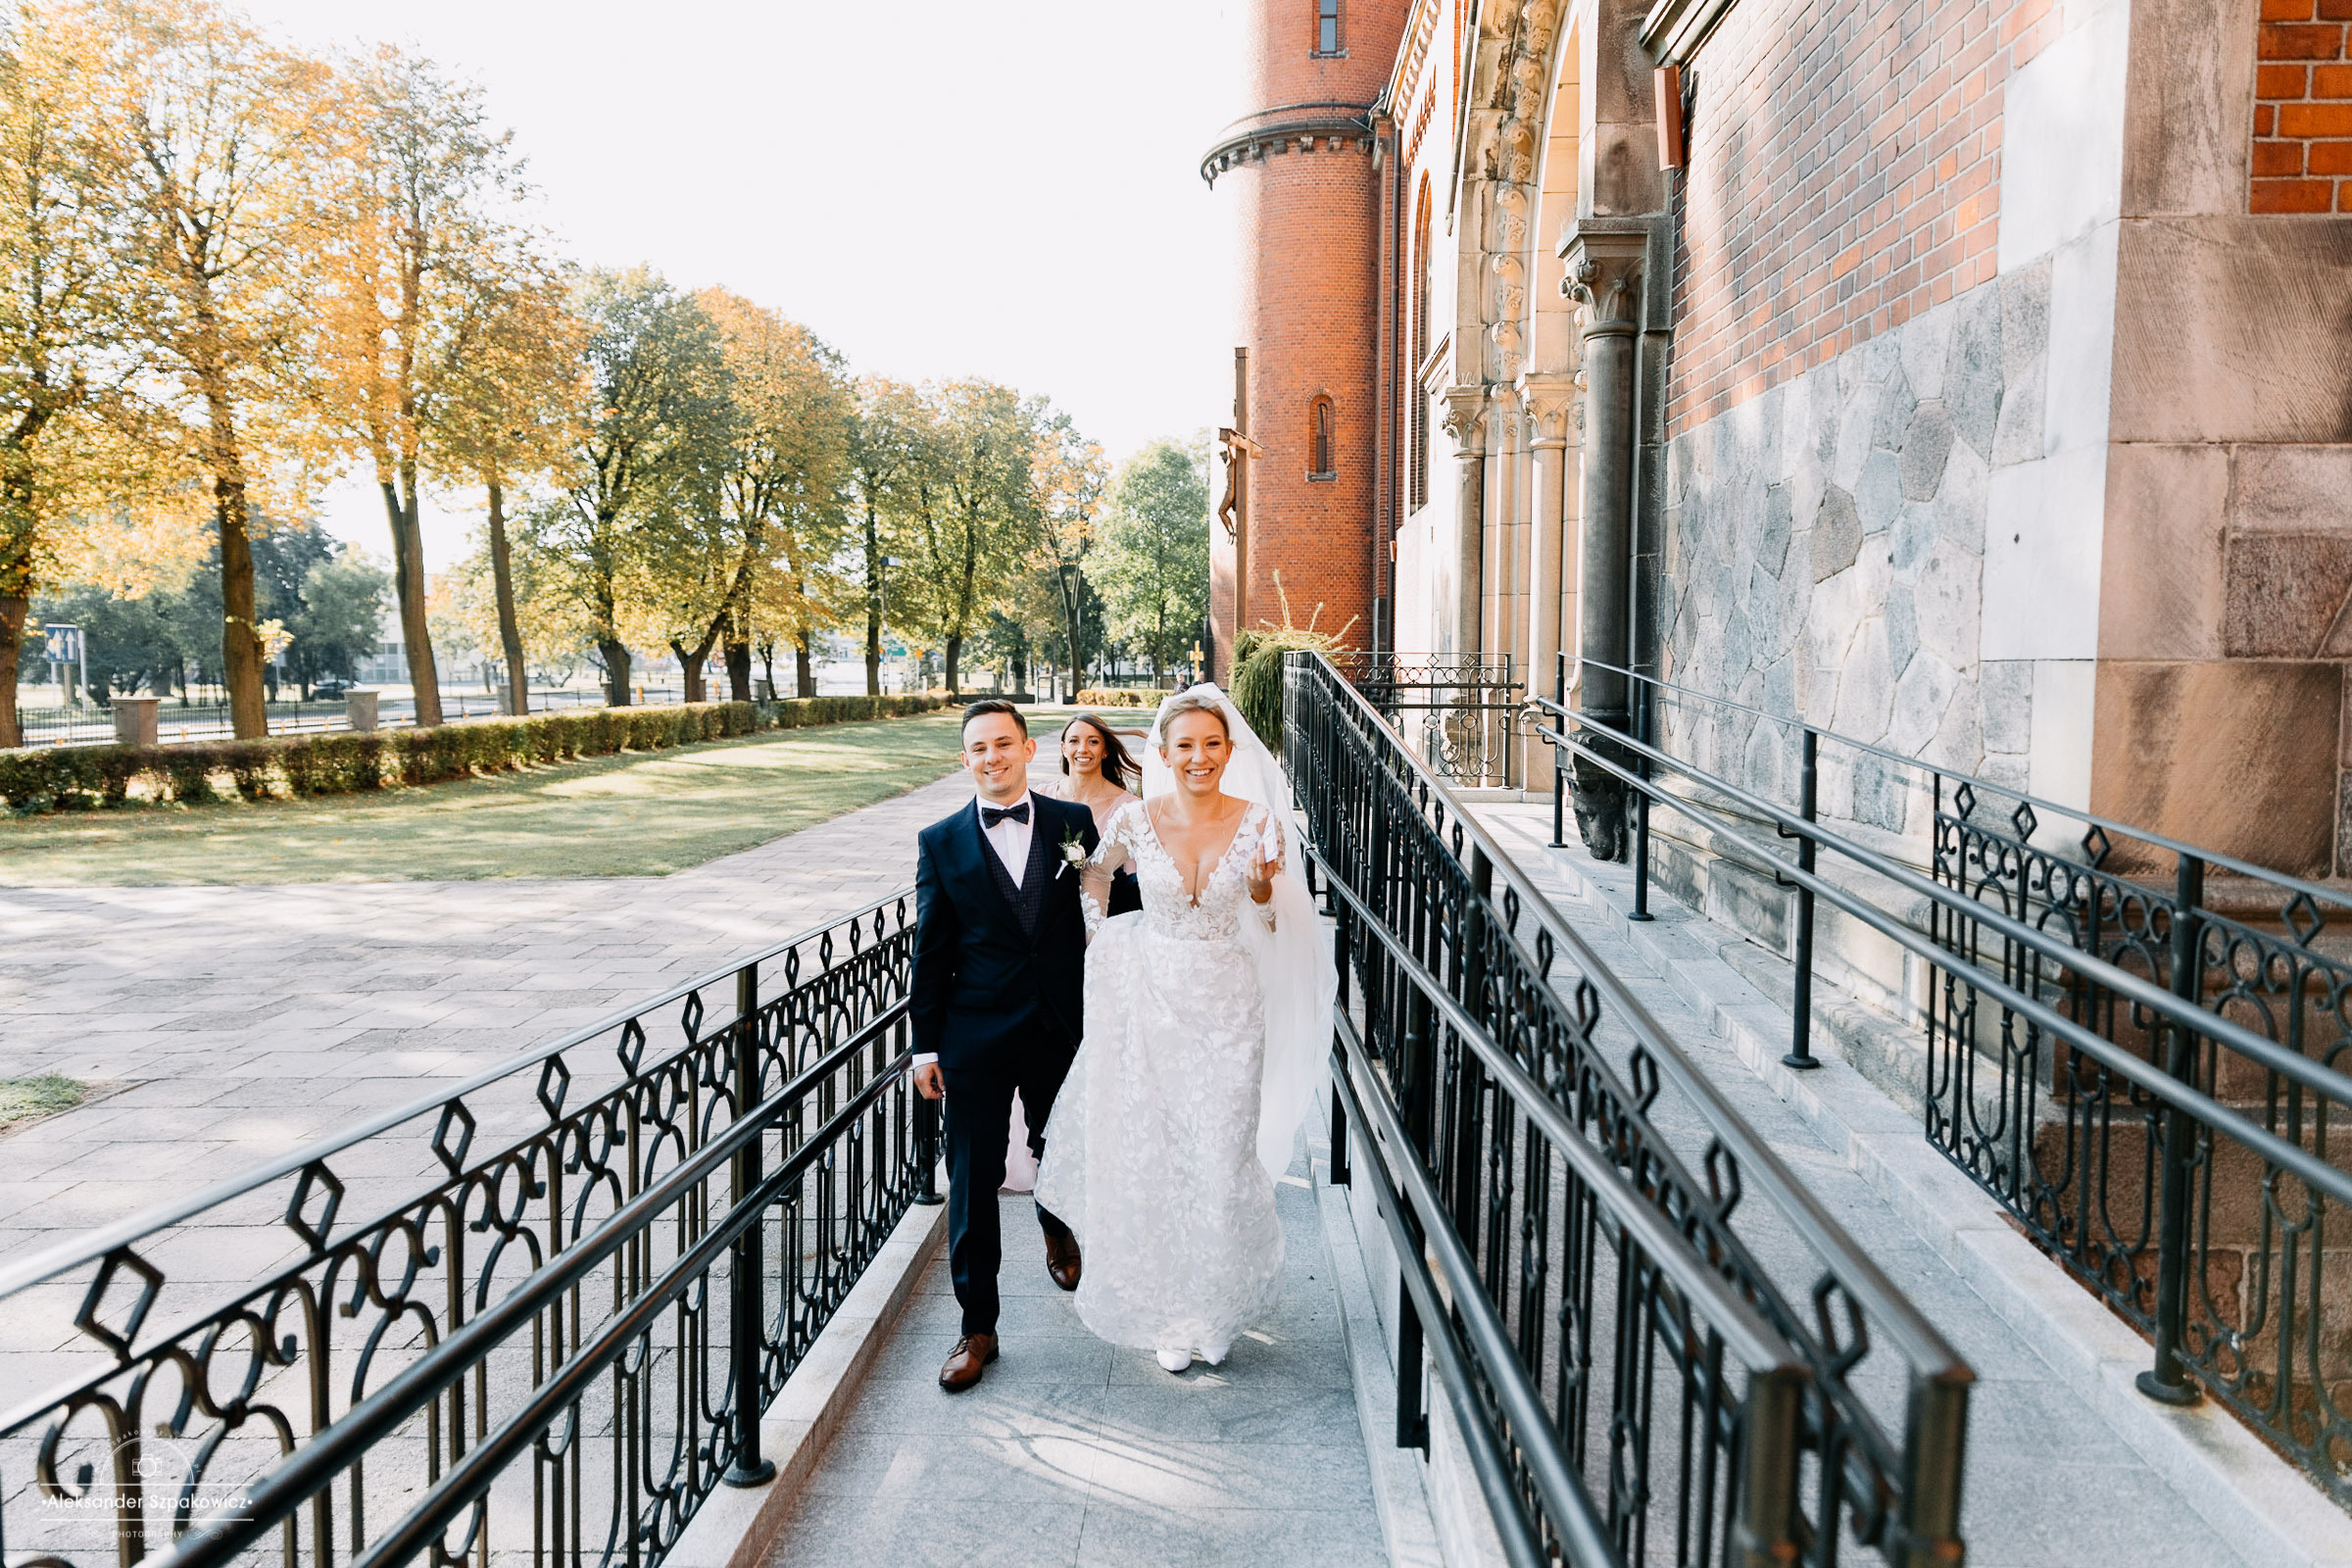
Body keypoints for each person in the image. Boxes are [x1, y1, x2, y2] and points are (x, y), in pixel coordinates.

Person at [1035, 684, 1334, 1374]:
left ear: (1229, 750)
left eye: (1211, 744)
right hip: (1150, 998)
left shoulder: (1261, 821)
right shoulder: (1137, 819)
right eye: (1185, 746)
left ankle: (1216, 1306)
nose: (1199, 757)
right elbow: (1095, 873)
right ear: (1164, 753)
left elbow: (1277, 922)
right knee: (1160, 1157)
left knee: (1221, 1158)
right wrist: (1102, 943)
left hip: (1229, 1004)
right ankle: (1171, 1312)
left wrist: (1261, 892)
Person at [909, 699, 1098, 1393]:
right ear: (966, 759)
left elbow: (1106, 901)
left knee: (1061, 1147)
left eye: (1003, 744)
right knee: (972, 1180)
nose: (992, 757)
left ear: (1026, 749)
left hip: (1058, 1025)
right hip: (975, 1034)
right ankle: (977, 1327)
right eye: (978, 748)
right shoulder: (940, 840)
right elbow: (929, 953)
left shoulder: (1071, 823)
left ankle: (1056, 1225)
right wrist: (923, 1048)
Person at [1002, 711, 1147, 1194]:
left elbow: (1132, 884)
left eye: (1092, 741)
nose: (1082, 748)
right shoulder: (1041, 797)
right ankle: (1023, 1159)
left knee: (1076, 1043)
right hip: (1039, 942)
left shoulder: (1127, 805)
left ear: (1105, 749)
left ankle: (1082, 1149)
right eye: (1073, 740)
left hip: (1095, 941)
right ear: (1061, 747)